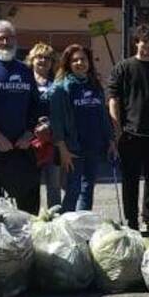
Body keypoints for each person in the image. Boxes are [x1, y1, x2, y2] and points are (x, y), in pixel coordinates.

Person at [107, 24, 149, 232]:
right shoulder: (123, 67)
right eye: (143, 41)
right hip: (130, 133)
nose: (147, 46)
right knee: (130, 180)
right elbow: (113, 99)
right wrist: (117, 129)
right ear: (136, 42)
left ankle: (148, 217)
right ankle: (132, 221)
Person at [0, 20, 42, 213]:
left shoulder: (25, 70)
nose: (5, 42)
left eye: (9, 37)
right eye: (0, 38)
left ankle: (27, 242)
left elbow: (35, 105)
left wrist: (29, 132)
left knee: (28, 205)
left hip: (22, 147)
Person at [49, 44, 115, 212]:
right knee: (73, 189)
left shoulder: (94, 85)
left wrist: (111, 140)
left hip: (93, 145)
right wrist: (62, 149)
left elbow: (103, 115)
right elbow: (56, 122)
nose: (80, 63)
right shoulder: (61, 88)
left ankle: (82, 226)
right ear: (68, 64)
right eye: (75, 60)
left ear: (89, 62)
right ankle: (66, 226)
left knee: (88, 188)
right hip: (73, 148)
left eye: (83, 59)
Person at [28, 42, 62, 209]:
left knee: (54, 185)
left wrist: (50, 126)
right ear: (32, 59)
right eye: (39, 57)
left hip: (52, 141)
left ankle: (54, 221)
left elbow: (62, 112)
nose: (43, 60)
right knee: (29, 184)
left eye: (47, 58)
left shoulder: (57, 83)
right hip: (28, 141)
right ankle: (31, 220)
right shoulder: (25, 81)